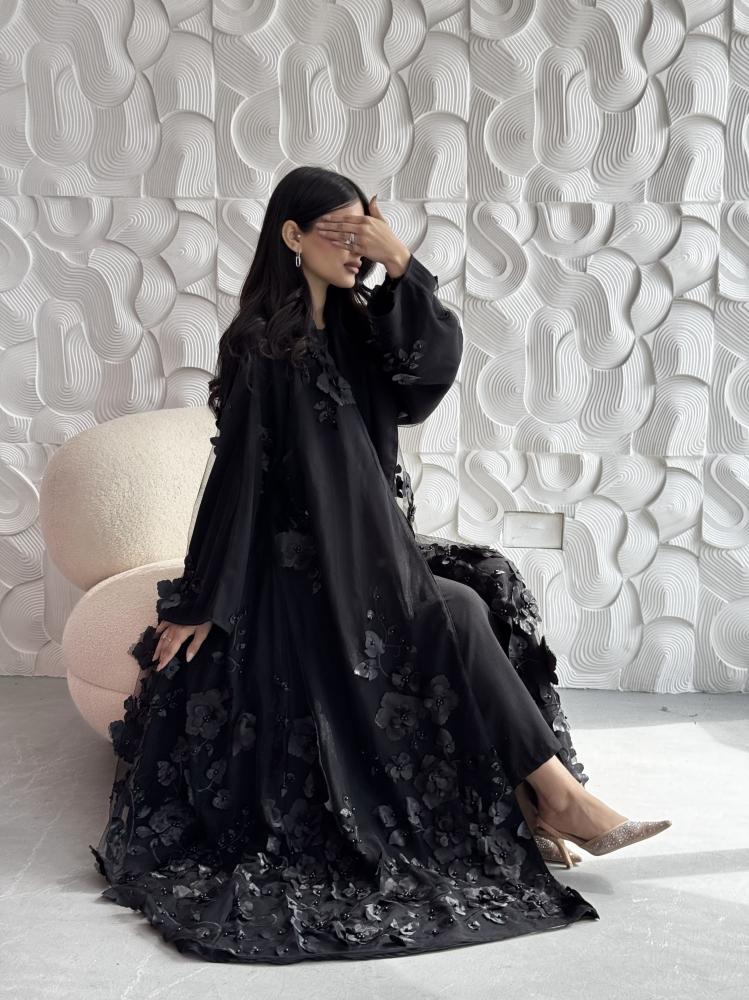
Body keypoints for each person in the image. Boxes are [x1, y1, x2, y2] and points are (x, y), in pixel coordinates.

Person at [89, 166, 671, 963]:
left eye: (365, 231)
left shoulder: (363, 327)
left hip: (363, 549)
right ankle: (556, 797)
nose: (356, 248)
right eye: (341, 232)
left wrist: (402, 267)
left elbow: (424, 379)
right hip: (292, 569)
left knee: (483, 589)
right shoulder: (260, 343)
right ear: (292, 236)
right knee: (455, 612)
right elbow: (239, 478)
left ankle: (545, 797)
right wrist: (202, 597)